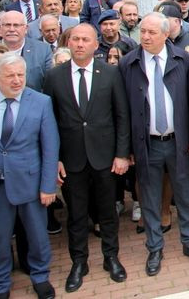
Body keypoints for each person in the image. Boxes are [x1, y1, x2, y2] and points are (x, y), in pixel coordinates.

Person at [43, 24, 130, 292]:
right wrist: (55, 158)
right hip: (72, 160)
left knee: (108, 212)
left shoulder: (112, 74)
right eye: (75, 39)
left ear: (96, 45)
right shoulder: (54, 77)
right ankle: (79, 262)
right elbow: (50, 122)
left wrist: (121, 154)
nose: (80, 44)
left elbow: (122, 116)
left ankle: (111, 257)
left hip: (105, 157)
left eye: (85, 40)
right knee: (77, 216)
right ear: (68, 44)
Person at [119, 13, 189, 276]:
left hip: (178, 142)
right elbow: (123, 111)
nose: (145, 37)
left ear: (166, 34)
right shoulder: (129, 63)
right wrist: (127, 149)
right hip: (146, 143)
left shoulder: (183, 60)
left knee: (185, 194)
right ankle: (154, 247)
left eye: (151, 33)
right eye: (142, 32)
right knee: (149, 195)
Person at [0, 53, 58, 299]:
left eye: (20, 75)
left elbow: (50, 147)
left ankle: (40, 276)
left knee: (37, 236)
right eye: (10, 75)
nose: (16, 80)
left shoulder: (41, 102)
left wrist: (48, 186)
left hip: (30, 182)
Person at [0, 11, 53, 91]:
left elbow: (49, 83)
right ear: (0, 28)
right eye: (7, 25)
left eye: (16, 25)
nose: (11, 29)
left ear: (26, 29)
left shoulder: (42, 50)